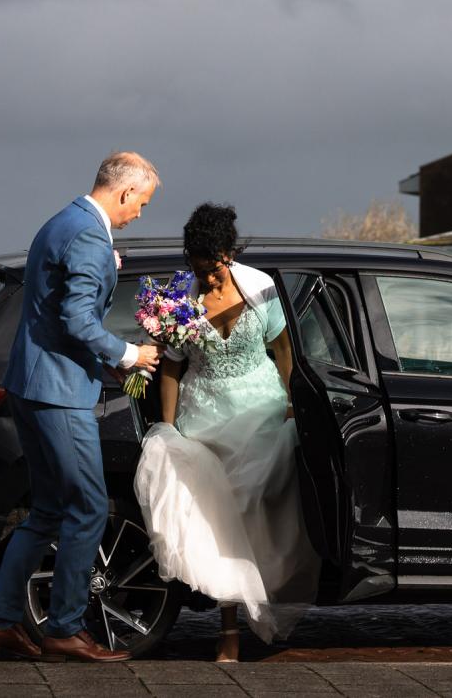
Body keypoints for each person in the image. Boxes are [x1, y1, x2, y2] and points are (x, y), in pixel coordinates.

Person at [0, 152, 163, 663]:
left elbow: (59, 316)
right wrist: (129, 353)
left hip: (32, 384)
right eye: (141, 203)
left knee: (49, 510)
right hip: (58, 393)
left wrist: (110, 362)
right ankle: (64, 628)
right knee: (88, 507)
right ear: (124, 192)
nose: (140, 213)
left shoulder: (64, 221)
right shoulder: (88, 236)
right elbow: (78, 319)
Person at [133, 203, 320, 662]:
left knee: (257, 505)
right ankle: (228, 629)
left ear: (228, 254)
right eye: (199, 269)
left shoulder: (261, 288)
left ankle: (263, 598)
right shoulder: (179, 300)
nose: (209, 279)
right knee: (219, 520)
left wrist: (294, 404)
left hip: (260, 412)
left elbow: (283, 350)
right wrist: (170, 427)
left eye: (214, 269)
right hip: (206, 417)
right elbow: (172, 369)